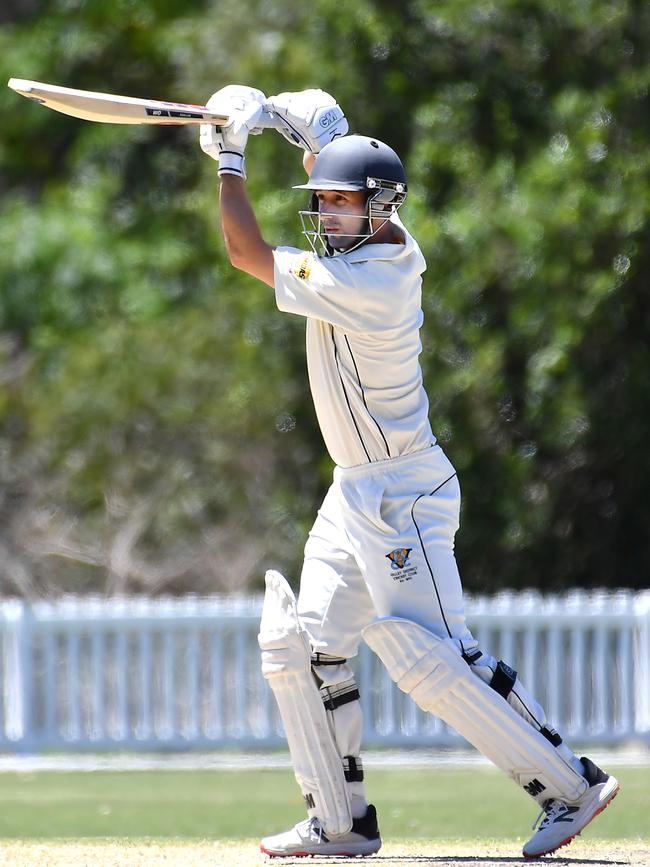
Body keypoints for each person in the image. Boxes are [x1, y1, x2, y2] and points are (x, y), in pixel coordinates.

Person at [199, 86, 619, 860]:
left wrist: (230, 157)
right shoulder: (362, 243)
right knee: (305, 646)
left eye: (340, 203)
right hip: (352, 486)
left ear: (380, 207)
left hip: (404, 491)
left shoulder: (374, 281)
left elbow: (244, 253)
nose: (326, 214)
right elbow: (338, 190)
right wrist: (317, 135)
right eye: (320, 199)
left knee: (433, 659)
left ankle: (572, 784)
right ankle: (340, 821)